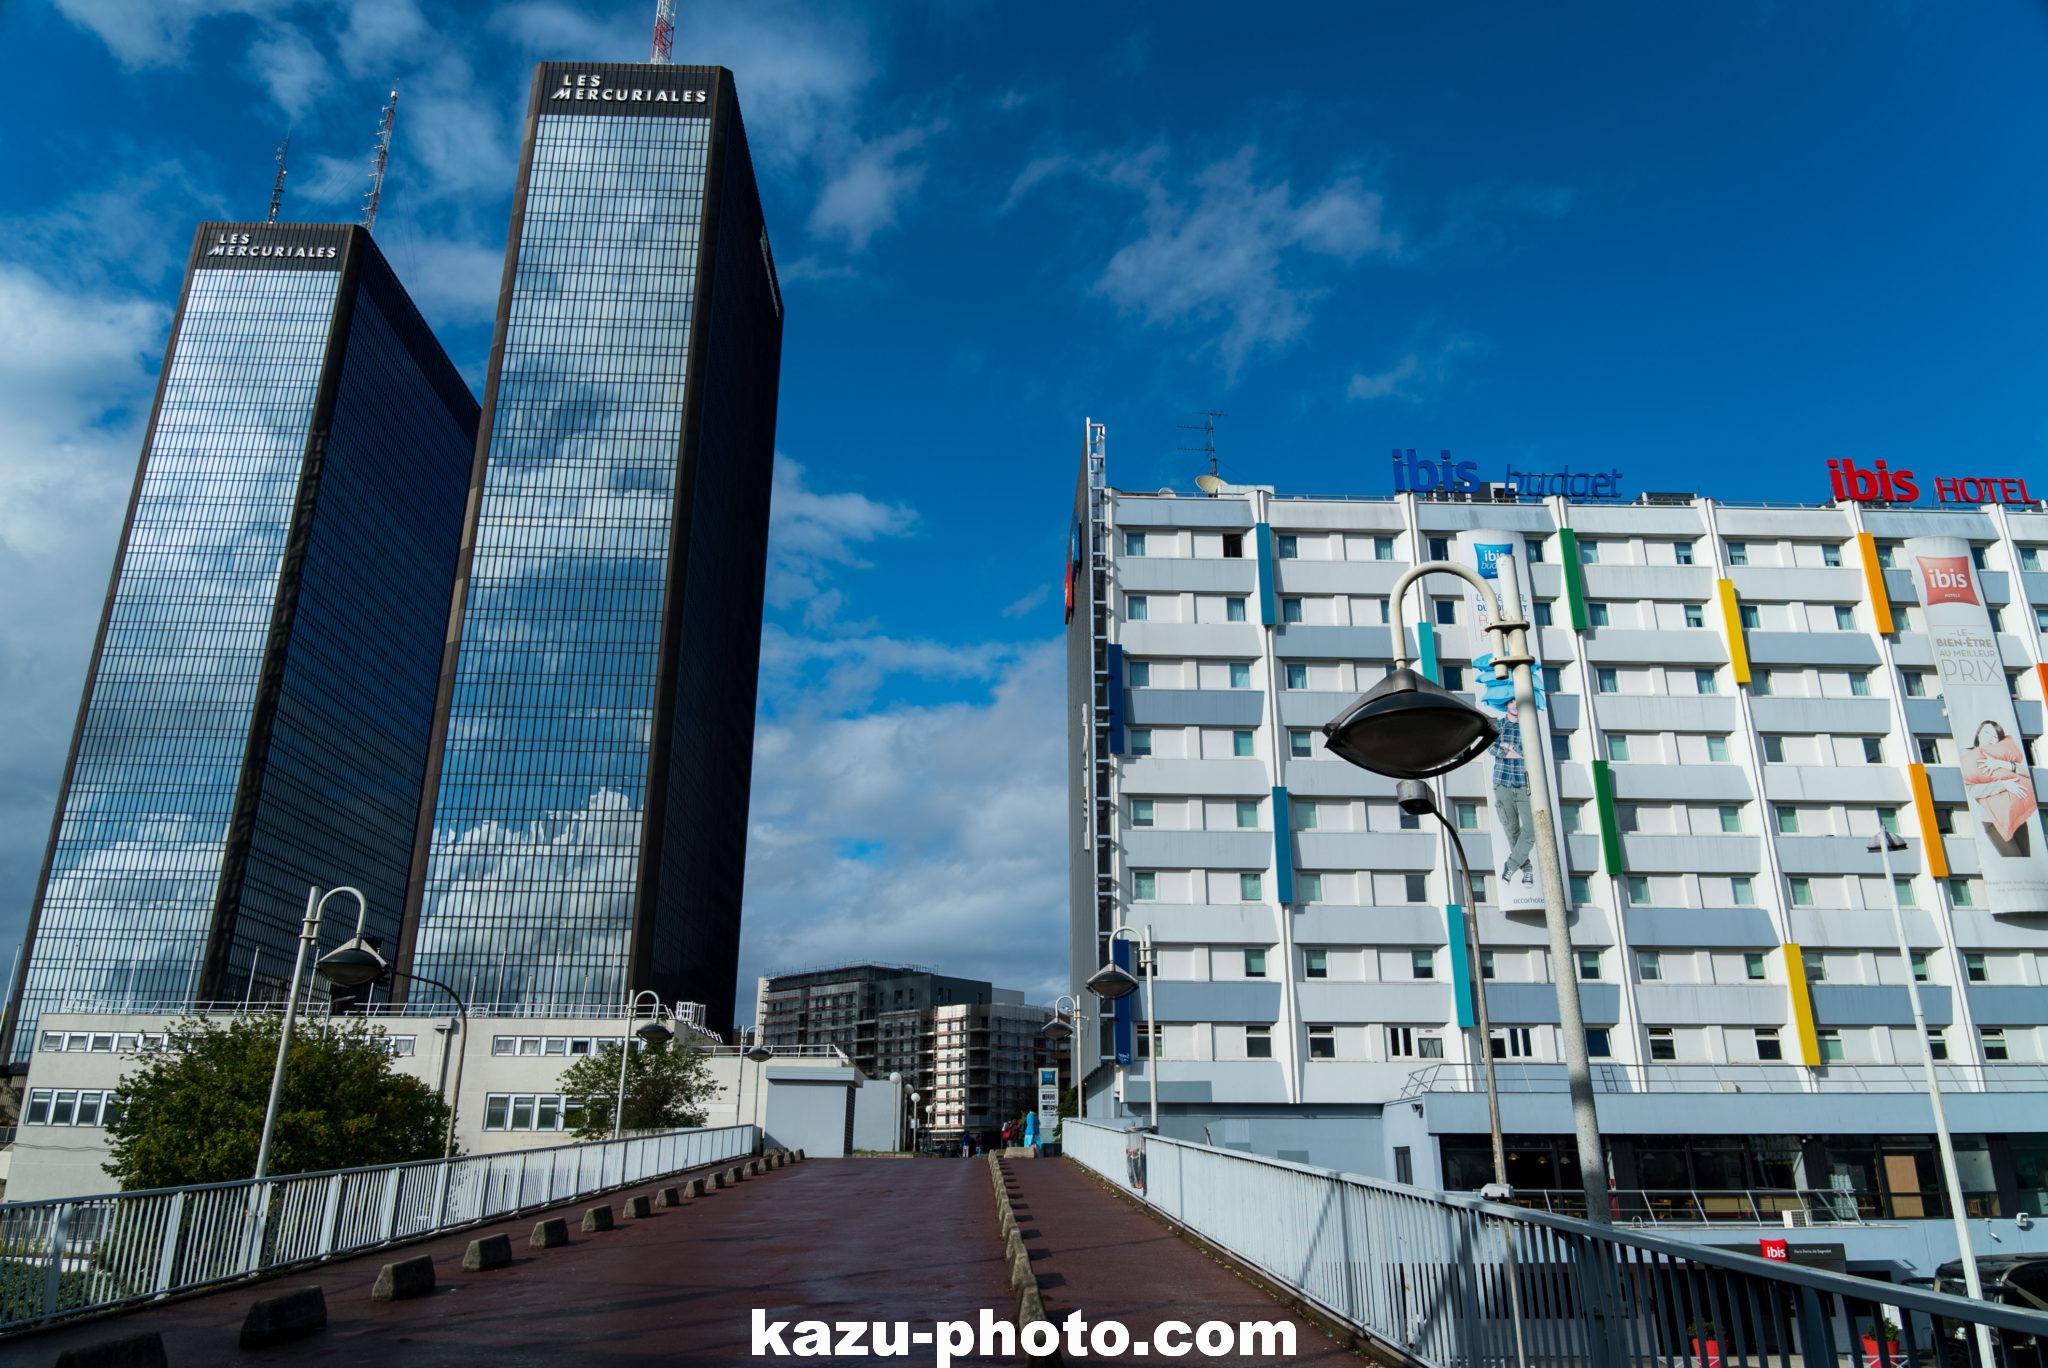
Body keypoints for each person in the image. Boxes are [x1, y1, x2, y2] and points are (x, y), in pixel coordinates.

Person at [1962, 719, 2037, 858]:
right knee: (2015, 861)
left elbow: (2030, 775)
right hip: (1993, 821)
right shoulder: (1968, 758)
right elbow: (1971, 790)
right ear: (1978, 734)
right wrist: (2003, 785)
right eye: (1986, 732)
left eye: (1995, 736)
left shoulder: (2004, 755)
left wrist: (2003, 764)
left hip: (2016, 816)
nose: (1990, 738)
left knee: (2027, 860)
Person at [1492, 700, 1535, 887]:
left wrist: (1509, 748)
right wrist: (1515, 751)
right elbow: (1492, 749)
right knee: (1512, 829)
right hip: (1502, 782)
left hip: (1524, 784)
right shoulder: (1499, 725)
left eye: (1518, 700)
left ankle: (1511, 864)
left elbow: (1530, 752)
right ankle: (1527, 870)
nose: (1516, 704)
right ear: (1506, 704)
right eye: (1511, 701)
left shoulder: (1530, 727)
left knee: (1532, 829)